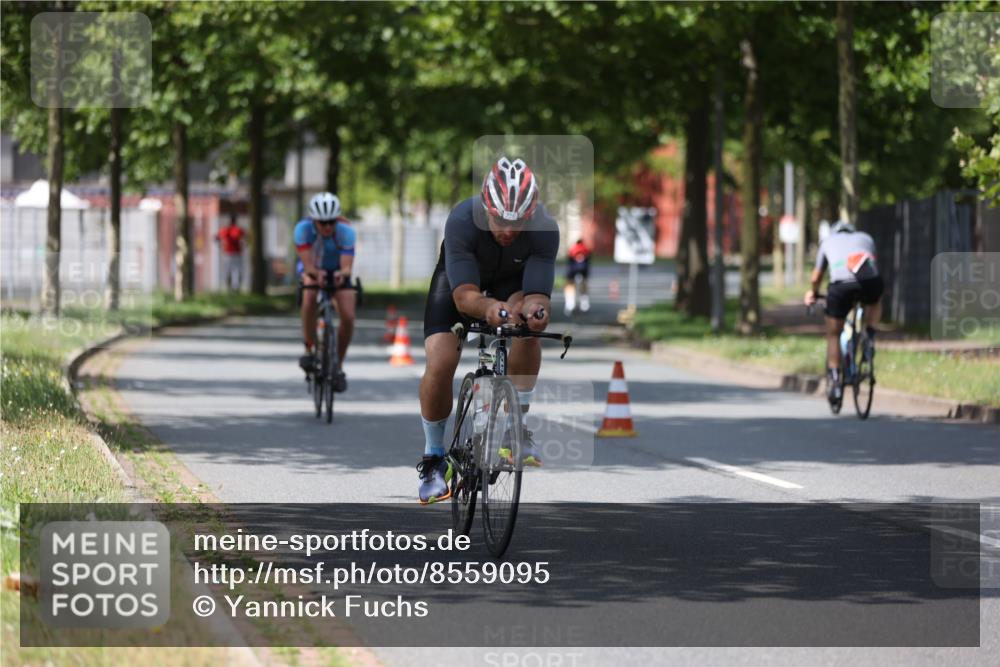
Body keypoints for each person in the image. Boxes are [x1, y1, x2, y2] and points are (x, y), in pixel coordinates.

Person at [417, 157, 559, 504]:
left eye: (518, 223)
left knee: (528, 328)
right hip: (460, 283)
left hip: (513, 284)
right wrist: (489, 308)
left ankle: (516, 430)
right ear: (485, 209)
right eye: (499, 220)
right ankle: (434, 458)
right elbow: (465, 297)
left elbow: (538, 294)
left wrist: (536, 311)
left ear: (532, 213)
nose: (509, 230)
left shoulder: (545, 230)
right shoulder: (462, 220)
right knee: (441, 360)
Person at [804, 220, 884, 403]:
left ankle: (834, 379)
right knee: (875, 300)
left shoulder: (827, 241)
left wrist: (814, 292)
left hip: (841, 286)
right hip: (870, 282)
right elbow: (872, 265)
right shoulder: (866, 238)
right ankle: (870, 335)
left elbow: (816, 276)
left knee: (833, 333)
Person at [294, 192, 356, 392]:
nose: (327, 227)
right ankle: (309, 348)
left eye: (331, 222)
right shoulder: (302, 230)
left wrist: (341, 275)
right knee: (309, 296)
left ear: (337, 219)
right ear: (314, 220)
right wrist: (315, 274)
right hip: (312, 269)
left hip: (337, 271)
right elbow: (308, 265)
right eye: (322, 223)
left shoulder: (346, 232)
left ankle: (338, 366)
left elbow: (347, 267)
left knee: (348, 315)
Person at [215, 216, 245, 292]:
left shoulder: (225, 230)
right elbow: (246, 237)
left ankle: (227, 286)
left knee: (227, 270)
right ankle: (235, 288)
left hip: (228, 253)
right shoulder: (238, 230)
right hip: (237, 253)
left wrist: (221, 245)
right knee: (236, 270)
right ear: (235, 221)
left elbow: (216, 237)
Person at [563, 237, 591, 315]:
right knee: (583, 287)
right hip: (583, 271)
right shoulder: (586, 249)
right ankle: (584, 304)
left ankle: (570, 305)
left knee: (570, 287)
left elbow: (569, 261)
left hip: (572, 272)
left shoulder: (572, 249)